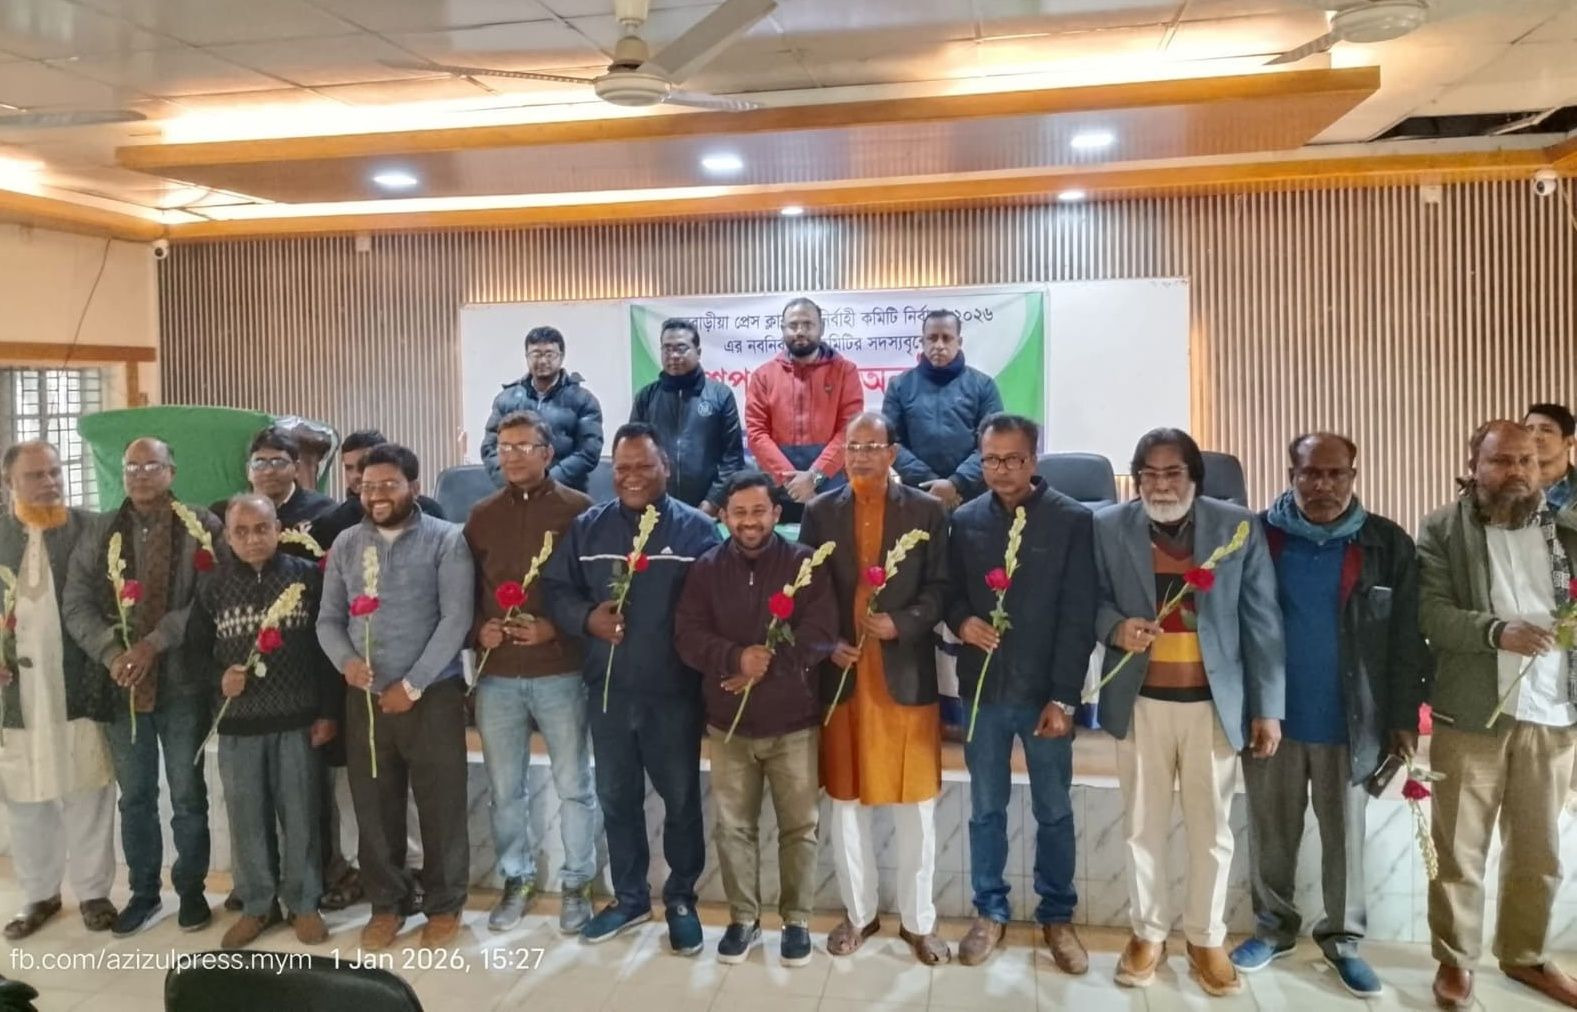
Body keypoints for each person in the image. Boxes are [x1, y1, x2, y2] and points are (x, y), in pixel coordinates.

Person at [1232, 433, 1430, 997]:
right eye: (1310, 474)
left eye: (1335, 474)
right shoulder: (1259, 537)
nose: (1323, 485)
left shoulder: (1386, 543)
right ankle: (1272, 929)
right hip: (1271, 718)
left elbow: (1407, 637)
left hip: (1353, 719)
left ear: (1353, 476)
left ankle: (1343, 940)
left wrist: (1403, 716)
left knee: (1345, 839)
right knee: (1272, 833)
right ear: (1291, 476)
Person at [1091, 427, 1283, 997]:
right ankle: (1147, 934)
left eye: (1173, 472)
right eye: (1149, 474)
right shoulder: (1108, 526)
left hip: (1213, 706)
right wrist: (1115, 628)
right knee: (1141, 828)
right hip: (1141, 702)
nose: (1161, 484)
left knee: (1212, 832)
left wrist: (1268, 708)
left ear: (1195, 477)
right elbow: (1089, 601)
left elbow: (1263, 621)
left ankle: (1205, 937)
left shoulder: (1236, 526)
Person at [541, 422, 721, 955]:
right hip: (609, 693)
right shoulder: (588, 529)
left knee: (681, 800)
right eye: (623, 468)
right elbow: (556, 589)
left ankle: (681, 898)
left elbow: (713, 608)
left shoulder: (696, 531)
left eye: (645, 465)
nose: (633, 476)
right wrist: (586, 619)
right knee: (617, 799)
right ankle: (630, 897)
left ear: (666, 466)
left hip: (674, 694)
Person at [1418, 420, 1577, 1010]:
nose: (1516, 473)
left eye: (1527, 462)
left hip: (1553, 712)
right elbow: (1430, 613)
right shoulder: (1442, 529)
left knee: (1539, 850)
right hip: (1471, 713)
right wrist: (1495, 632)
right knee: (1459, 850)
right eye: (1502, 461)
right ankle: (1455, 960)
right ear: (1475, 466)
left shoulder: (1567, 529)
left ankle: (1524, 954)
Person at [800, 412, 951, 965]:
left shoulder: (927, 511)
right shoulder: (820, 511)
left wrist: (903, 622)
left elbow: (941, 588)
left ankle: (919, 922)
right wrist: (827, 642)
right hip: (843, 679)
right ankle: (859, 914)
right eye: (852, 447)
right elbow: (808, 588)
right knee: (846, 805)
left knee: (917, 808)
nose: (861, 456)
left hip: (904, 678)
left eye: (872, 447)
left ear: (892, 453)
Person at [946, 413, 1094, 971]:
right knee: (986, 808)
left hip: (1044, 695)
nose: (1001, 470)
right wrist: (962, 622)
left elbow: (1078, 615)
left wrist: (1064, 698)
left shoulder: (1072, 520)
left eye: (1012, 459)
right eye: (991, 459)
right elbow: (950, 594)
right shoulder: (964, 520)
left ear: (1033, 460)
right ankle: (990, 909)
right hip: (982, 690)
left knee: (1054, 809)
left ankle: (1057, 915)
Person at [674, 471, 837, 967]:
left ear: (776, 513)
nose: (749, 522)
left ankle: (796, 921)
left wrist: (766, 667)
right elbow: (687, 636)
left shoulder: (805, 564)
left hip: (793, 724)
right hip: (729, 726)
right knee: (733, 828)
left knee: (799, 827)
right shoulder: (705, 569)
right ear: (724, 516)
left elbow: (820, 634)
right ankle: (743, 919)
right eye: (739, 513)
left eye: (759, 511)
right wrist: (735, 658)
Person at [316, 443, 474, 951]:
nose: (377, 495)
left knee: (441, 804)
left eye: (389, 484)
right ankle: (387, 903)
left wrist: (412, 685)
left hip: (431, 695)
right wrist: (346, 662)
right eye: (368, 486)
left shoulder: (446, 539)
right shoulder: (345, 543)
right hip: (365, 699)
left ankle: (444, 905)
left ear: (414, 487)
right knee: (374, 805)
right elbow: (328, 620)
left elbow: (456, 620)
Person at [63, 437, 221, 937]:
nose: (140, 475)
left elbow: (209, 600)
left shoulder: (200, 526)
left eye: (151, 465)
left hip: (182, 683)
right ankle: (145, 894)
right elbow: (76, 603)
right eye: (132, 467)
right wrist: (113, 653)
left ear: (172, 471)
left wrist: (153, 643)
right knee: (135, 797)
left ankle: (192, 892)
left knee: (188, 795)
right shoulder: (99, 531)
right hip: (121, 686)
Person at [463, 410, 599, 935]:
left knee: (573, 784)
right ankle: (515, 879)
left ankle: (577, 883)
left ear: (548, 453)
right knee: (505, 789)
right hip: (497, 676)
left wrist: (555, 630)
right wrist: (479, 630)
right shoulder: (480, 516)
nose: (513, 456)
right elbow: (462, 592)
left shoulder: (579, 510)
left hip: (559, 671)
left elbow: (592, 591)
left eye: (524, 446)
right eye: (505, 447)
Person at [188, 494, 338, 949]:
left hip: (298, 722)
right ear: (228, 537)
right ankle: (257, 905)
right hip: (239, 727)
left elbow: (328, 650)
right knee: (247, 820)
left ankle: (304, 903)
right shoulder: (211, 586)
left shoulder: (307, 578)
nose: (252, 539)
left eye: (261, 529)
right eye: (241, 531)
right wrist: (219, 677)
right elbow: (193, 654)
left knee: (302, 816)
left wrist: (328, 712)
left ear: (278, 529)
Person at [0, 442, 117, 941]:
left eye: (55, 471)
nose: (50, 482)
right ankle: (39, 895)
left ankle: (93, 893)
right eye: (36, 475)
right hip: (16, 692)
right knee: (25, 796)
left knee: (88, 787)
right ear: (9, 483)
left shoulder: (90, 528)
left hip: (77, 681)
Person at [745, 298, 862, 523]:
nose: (800, 331)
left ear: (822, 328)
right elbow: (756, 433)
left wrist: (813, 478)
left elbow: (849, 431)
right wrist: (792, 481)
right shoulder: (763, 376)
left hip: (831, 485)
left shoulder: (845, 372)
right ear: (782, 329)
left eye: (808, 324)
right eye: (793, 325)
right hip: (778, 488)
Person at [883, 310, 1005, 511]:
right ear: (922, 342)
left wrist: (956, 482)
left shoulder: (984, 385)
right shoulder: (899, 386)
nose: (939, 345)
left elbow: (994, 443)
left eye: (946, 338)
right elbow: (891, 442)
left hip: (972, 497)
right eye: (932, 338)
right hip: (919, 495)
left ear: (959, 342)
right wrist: (931, 482)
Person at [629, 318, 745, 517]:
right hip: (656, 509)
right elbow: (635, 453)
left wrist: (712, 503)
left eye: (681, 348)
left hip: (710, 511)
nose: (673, 355)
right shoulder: (646, 397)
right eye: (667, 349)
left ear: (698, 352)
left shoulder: (720, 396)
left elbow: (732, 459)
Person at [480, 326, 604, 492]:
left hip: (566, 493)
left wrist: (546, 482)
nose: (543, 361)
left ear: (562, 356)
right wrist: (513, 481)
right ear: (526, 357)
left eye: (549, 354)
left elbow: (588, 451)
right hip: (514, 492)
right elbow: (490, 448)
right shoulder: (506, 400)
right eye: (536, 354)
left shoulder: (583, 400)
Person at [310, 429, 445, 551]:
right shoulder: (335, 520)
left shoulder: (429, 510)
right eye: (349, 468)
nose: (356, 475)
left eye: (364, 465)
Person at [213, 428, 335, 532]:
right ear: (248, 471)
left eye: (278, 463)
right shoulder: (223, 514)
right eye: (259, 463)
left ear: (297, 469)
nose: (268, 471)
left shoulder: (322, 510)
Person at [1524, 403, 1576, 514]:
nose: (1535, 436)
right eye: (1529, 429)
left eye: (1546, 430)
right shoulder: (1509, 486)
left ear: (1569, 442)